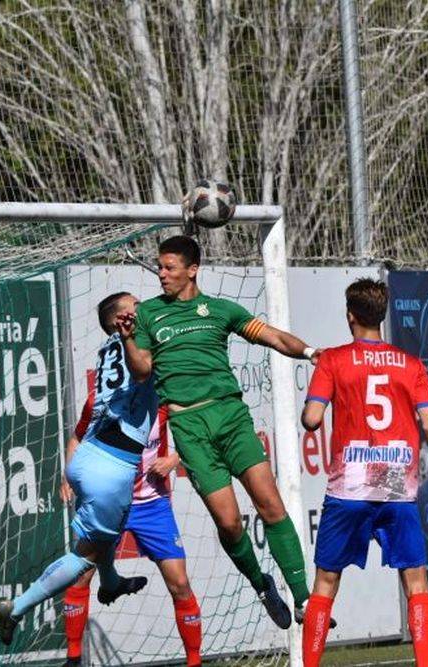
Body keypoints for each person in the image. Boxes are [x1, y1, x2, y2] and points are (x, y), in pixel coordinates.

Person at [117, 235, 315, 629]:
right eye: (159, 267)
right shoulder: (148, 314)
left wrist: (311, 353)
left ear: (192, 270)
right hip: (189, 427)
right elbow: (141, 370)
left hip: (231, 417)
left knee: (270, 504)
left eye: (169, 267)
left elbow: (274, 336)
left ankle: (304, 599)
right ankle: (261, 584)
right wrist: (127, 339)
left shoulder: (221, 310)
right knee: (228, 522)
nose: (161, 274)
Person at [300, 278, 428, 667]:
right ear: (382, 316)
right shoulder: (411, 365)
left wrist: (319, 402)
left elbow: (312, 419)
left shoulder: (333, 360)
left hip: (349, 486)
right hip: (396, 484)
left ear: (350, 316)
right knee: (416, 580)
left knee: (325, 582)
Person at [0, 292, 155, 646]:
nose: (145, 308)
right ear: (122, 320)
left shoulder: (108, 348)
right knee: (85, 557)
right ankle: (16, 609)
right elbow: (144, 372)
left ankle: (111, 583)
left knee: (105, 536)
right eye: (137, 305)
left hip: (89, 453)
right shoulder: (138, 344)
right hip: (111, 465)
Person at [60, 398, 201, 667]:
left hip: (152, 504)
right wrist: (68, 475)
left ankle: (195, 662)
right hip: (109, 501)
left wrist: (173, 459)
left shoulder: (163, 397)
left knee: (180, 583)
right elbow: (76, 439)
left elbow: (196, 436)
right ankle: (73, 658)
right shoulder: (101, 399)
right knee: (79, 575)